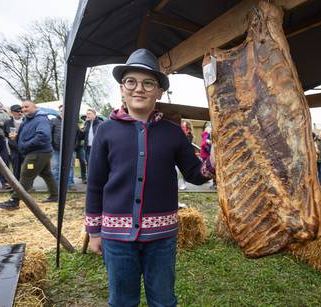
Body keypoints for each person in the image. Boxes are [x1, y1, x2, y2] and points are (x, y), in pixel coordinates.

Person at [85, 48, 215, 307]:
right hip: (116, 237)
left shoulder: (172, 132)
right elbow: (96, 184)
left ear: (159, 92)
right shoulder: (105, 131)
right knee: (122, 301)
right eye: (131, 82)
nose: (139, 89)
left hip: (161, 237)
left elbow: (194, 174)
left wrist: (214, 161)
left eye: (148, 83)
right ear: (122, 88)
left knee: (164, 300)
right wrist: (94, 232)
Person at [0, 100, 59, 210]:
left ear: (35, 108)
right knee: (46, 174)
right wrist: (17, 138)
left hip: (37, 154)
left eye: (27, 107)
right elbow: (31, 134)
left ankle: (14, 201)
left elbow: (42, 136)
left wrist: (25, 145)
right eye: (22, 107)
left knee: (26, 175)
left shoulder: (41, 120)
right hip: (39, 153)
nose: (24, 109)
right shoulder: (29, 120)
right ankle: (55, 196)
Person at [50, 105, 76, 190]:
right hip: (56, 149)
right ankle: (56, 185)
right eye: (61, 111)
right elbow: (49, 134)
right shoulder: (53, 121)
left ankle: (70, 184)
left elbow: (77, 135)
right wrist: (51, 145)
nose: (62, 113)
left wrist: (74, 145)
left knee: (70, 166)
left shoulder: (72, 121)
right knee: (56, 167)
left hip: (69, 149)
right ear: (58, 112)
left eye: (64, 111)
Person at [6, 104, 24, 180]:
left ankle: (28, 185)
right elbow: (6, 133)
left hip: (25, 148)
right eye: (17, 111)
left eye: (21, 111)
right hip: (14, 149)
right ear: (12, 112)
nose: (20, 113)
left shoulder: (26, 121)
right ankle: (16, 185)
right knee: (16, 168)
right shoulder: (7, 122)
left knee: (29, 167)